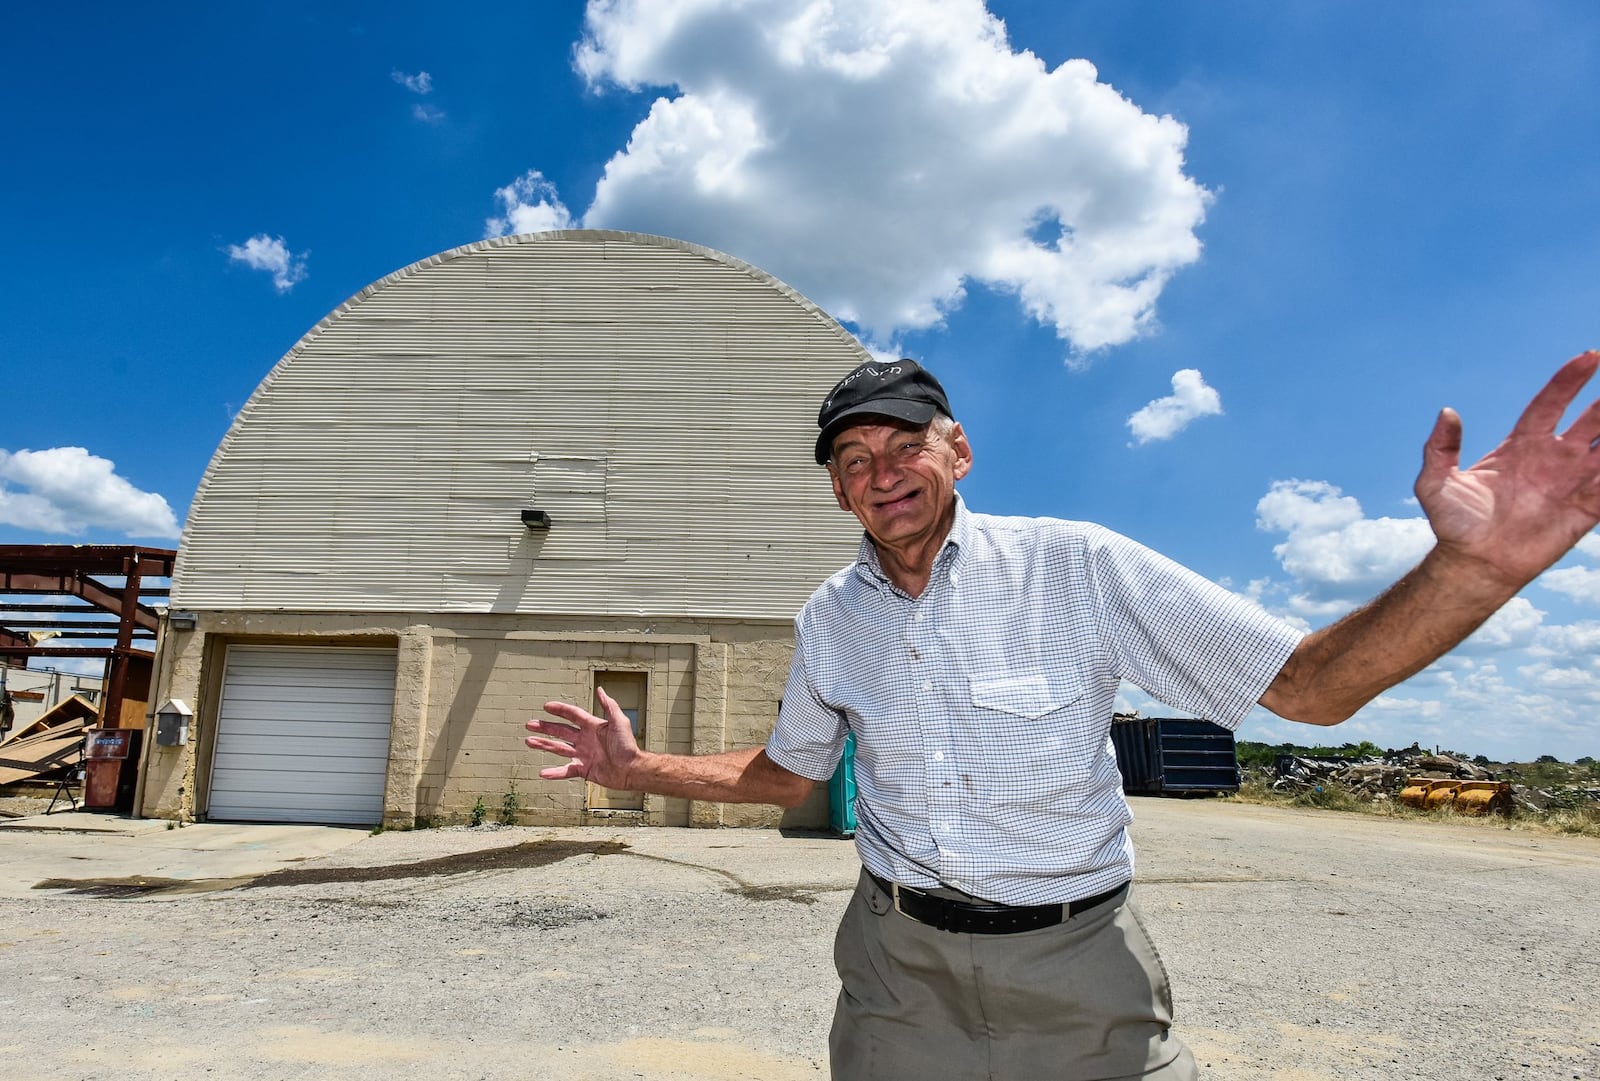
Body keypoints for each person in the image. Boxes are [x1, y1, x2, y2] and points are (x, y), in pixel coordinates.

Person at [526, 351, 1600, 1080]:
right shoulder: (830, 618)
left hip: (1080, 962)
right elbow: (788, 774)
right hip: (898, 973)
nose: (880, 471)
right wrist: (639, 768)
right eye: (852, 460)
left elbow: (1309, 688)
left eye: (903, 445)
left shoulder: (1077, 566)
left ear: (958, 452)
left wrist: (1473, 571)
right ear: (836, 492)